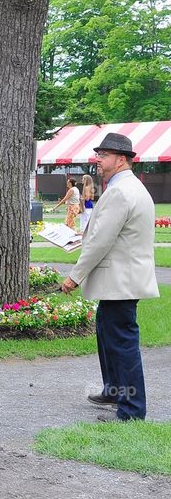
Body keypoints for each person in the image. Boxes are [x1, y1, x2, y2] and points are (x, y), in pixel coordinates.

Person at [61, 132, 158, 422]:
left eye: (103, 155)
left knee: (121, 342)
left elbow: (101, 242)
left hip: (120, 281)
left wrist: (75, 277)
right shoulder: (129, 187)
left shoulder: (119, 191)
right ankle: (114, 391)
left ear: (121, 159)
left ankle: (131, 410)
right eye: (98, 154)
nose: (98, 160)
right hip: (122, 280)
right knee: (108, 333)